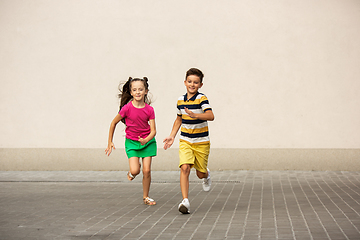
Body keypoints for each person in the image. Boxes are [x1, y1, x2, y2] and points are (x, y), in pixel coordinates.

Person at [163, 68, 214, 214]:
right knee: (184, 167)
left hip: (201, 141)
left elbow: (210, 115)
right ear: (185, 82)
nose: (192, 84)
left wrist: (196, 115)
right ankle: (185, 201)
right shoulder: (180, 100)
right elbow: (179, 118)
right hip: (185, 140)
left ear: (200, 84)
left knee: (199, 173)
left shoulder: (202, 98)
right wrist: (172, 136)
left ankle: (206, 175)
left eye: (196, 82)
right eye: (190, 81)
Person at [105, 77, 157, 206]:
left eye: (141, 89)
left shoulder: (149, 110)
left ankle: (146, 196)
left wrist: (146, 140)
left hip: (147, 142)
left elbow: (154, 131)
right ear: (131, 92)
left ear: (146, 91)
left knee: (147, 171)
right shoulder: (127, 108)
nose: (138, 92)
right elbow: (113, 123)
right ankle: (133, 171)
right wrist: (110, 141)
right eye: (135, 90)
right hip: (132, 143)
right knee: (135, 171)